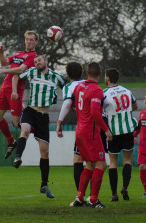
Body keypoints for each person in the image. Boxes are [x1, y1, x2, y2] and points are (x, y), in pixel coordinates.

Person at [12, 55, 66, 199]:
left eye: (39, 60)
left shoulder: (56, 77)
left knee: (45, 152)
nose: (37, 63)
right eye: (35, 61)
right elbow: (16, 76)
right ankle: (17, 157)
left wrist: (69, 102)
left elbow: (67, 87)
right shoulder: (31, 72)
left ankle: (44, 185)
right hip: (30, 110)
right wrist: (14, 91)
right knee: (25, 130)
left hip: (43, 116)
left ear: (46, 62)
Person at [69, 62, 112, 208]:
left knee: (89, 165)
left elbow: (75, 105)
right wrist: (106, 129)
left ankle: (80, 197)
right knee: (102, 164)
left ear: (86, 72)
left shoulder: (78, 87)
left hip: (80, 131)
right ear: (100, 73)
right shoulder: (97, 90)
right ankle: (93, 200)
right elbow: (94, 112)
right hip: (90, 133)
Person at [0, 30, 38, 159]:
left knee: (16, 123)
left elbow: (21, 69)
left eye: (31, 40)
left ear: (36, 42)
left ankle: (38, 129)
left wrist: (2, 71)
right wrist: (1, 53)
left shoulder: (33, 56)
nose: (28, 41)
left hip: (15, 91)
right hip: (4, 88)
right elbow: (4, 62)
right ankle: (11, 141)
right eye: (27, 39)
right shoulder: (19, 53)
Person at [103, 68, 138, 201]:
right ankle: (125, 187)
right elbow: (135, 106)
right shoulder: (127, 90)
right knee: (127, 161)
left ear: (107, 78)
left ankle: (114, 194)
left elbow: (100, 109)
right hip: (128, 129)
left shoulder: (105, 93)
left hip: (113, 131)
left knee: (113, 162)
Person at [56, 61, 85, 192]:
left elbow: (67, 104)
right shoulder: (90, 84)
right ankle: (94, 197)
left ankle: (81, 196)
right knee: (97, 162)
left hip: (85, 125)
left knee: (78, 159)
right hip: (100, 124)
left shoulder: (68, 87)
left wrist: (59, 122)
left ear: (67, 74)